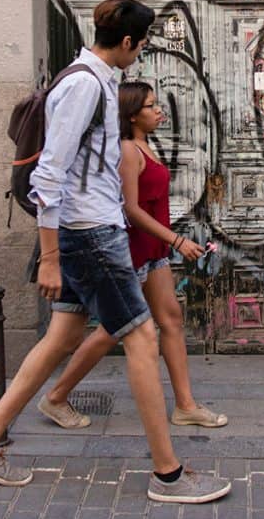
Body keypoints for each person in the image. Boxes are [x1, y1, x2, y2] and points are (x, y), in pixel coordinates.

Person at [0, 0, 231, 505]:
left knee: (59, 338)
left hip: (86, 231)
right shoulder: (84, 85)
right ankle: (168, 475)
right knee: (143, 339)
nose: (143, 51)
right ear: (127, 42)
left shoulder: (97, 80)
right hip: (89, 234)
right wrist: (53, 255)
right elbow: (48, 176)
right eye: (142, 43)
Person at [38, 80, 228, 430]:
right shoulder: (128, 150)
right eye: (150, 106)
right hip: (133, 250)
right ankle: (56, 396)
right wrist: (177, 240)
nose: (159, 111)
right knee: (112, 330)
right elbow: (131, 210)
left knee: (170, 320)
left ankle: (185, 405)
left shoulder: (146, 145)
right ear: (131, 115)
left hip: (152, 251)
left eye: (157, 104)